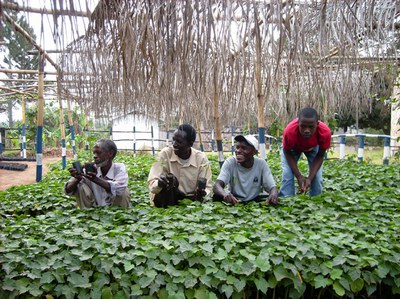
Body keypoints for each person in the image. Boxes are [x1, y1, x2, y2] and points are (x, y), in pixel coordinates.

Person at [147, 124, 212, 208]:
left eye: (179, 141)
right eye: (173, 140)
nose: (174, 144)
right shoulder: (165, 154)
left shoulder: (201, 159)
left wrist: (203, 193)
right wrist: (159, 183)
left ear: (190, 144)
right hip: (166, 200)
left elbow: (208, 188)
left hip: (190, 203)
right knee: (172, 181)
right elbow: (152, 185)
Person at [279, 107, 331, 197]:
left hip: (313, 148)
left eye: (311, 127)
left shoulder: (325, 132)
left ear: (317, 124)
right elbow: (287, 152)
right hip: (292, 149)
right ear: (298, 123)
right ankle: (286, 200)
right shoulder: (290, 131)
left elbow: (320, 156)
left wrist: (309, 179)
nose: (307, 130)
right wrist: (299, 176)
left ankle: (315, 201)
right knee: (287, 173)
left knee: (317, 177)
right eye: (303, 126)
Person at [65, 139, 131, 208]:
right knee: (81, 187)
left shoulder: (119, 168)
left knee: (124, 191)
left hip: (115, 210)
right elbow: (68, 190)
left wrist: (95, 179)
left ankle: (121, 215)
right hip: (94, 210)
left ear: (110, 154)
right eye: (94, 153)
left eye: (99, 153)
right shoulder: (90, 170)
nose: (95, 156)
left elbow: (120, 188)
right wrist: (77, 179)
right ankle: (87, 215)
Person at [213, 134, 279, 205]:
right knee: (217, 196)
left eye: (244, 148)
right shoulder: (230, 162)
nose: (238, 151)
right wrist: (225, 195)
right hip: (235, 201)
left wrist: (273, 194)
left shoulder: (261, 164)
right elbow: (217, 185)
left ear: (254, 152)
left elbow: (272, 187)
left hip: (254, 201)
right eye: (237, 147)